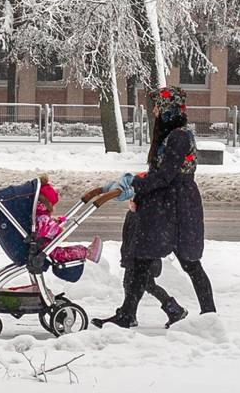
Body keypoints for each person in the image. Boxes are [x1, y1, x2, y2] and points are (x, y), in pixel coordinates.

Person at [92, 86, 216, 329]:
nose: (157, 112)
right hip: (166, 205)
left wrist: (136, 183)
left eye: (160, 107)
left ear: (170, 109)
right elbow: (160, 174)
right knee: (142, 258)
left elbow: (166, 176)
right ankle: (128, 314)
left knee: (189, 262)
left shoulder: (179, 137)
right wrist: (137, 181)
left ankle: (210, 317)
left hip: (177, 208)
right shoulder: (171, 136)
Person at [36, 176, 103, 264]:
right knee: (63, 254)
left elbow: (45, 225)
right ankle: (88, 253)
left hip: (42, 244)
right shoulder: (42, 217)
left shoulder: (37, 213)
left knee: (63, 252)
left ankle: (87, 251)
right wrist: (60, 231)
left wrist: (57, 221)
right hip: (44, 247)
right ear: (47, 204)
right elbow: (47, 228)